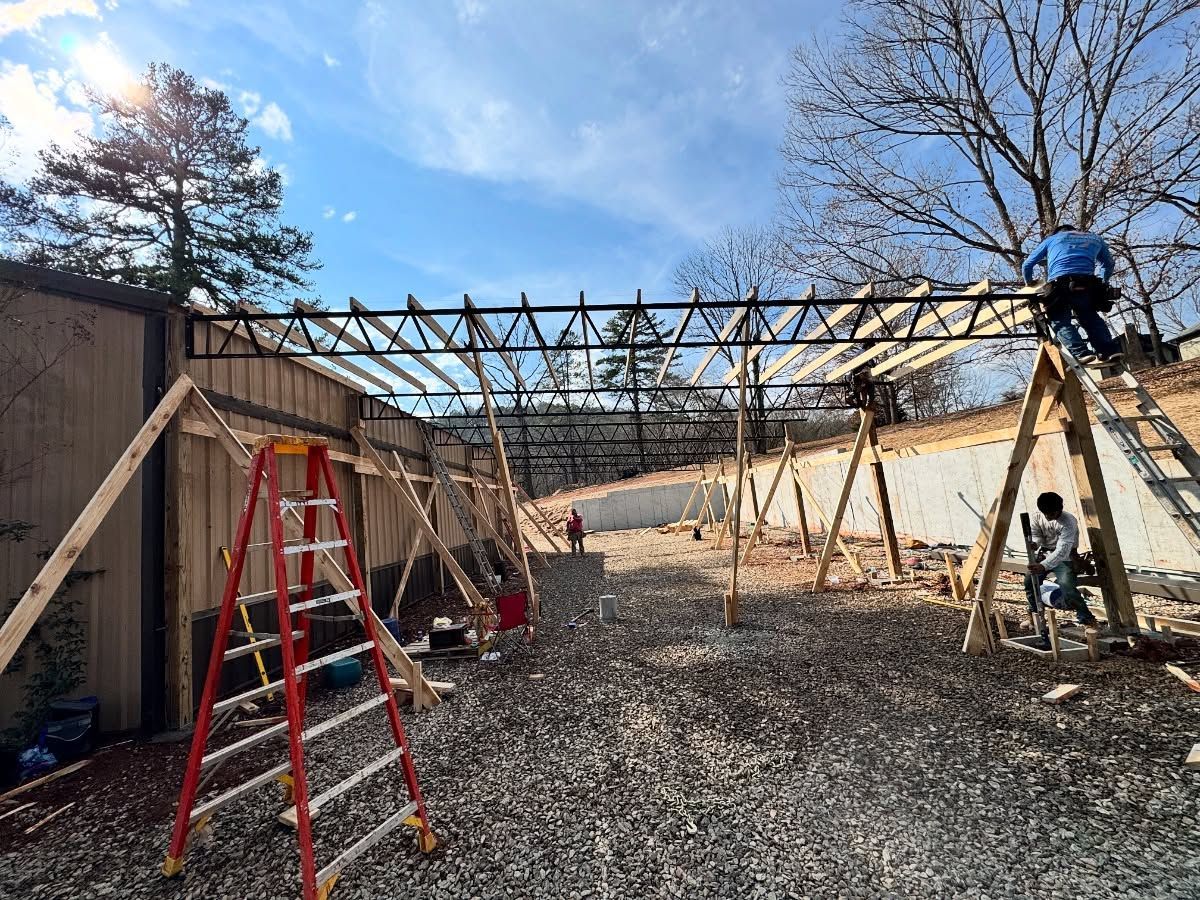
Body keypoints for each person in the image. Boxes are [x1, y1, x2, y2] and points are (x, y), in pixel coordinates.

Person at [1021, 224, 1124, 366]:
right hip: (1088, 284)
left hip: (1060, 284)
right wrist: (1103, 281)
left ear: (1057, 233)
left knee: (1059, 320)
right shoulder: (1095, 238)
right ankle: (1109, 351)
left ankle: (1081, 353)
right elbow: (1108, 264)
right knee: (1091, 317)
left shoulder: (1052, 240)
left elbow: (1027, 265)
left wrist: (1029, 284)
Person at [1025, 491, 1098, 647]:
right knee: (1029, 583)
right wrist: (1035, 544)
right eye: (1046, 513)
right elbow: (1037, 536)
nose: (1049, 516)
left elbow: (1063, 549)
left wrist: (1043, 566)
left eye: (1052, 513)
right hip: (1044, 553)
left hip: (1065, 556)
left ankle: (1087, 619)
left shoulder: (1068, 521)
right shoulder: (1037, 516)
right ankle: (1034, 615)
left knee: (1067, 585)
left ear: (1060, 509)